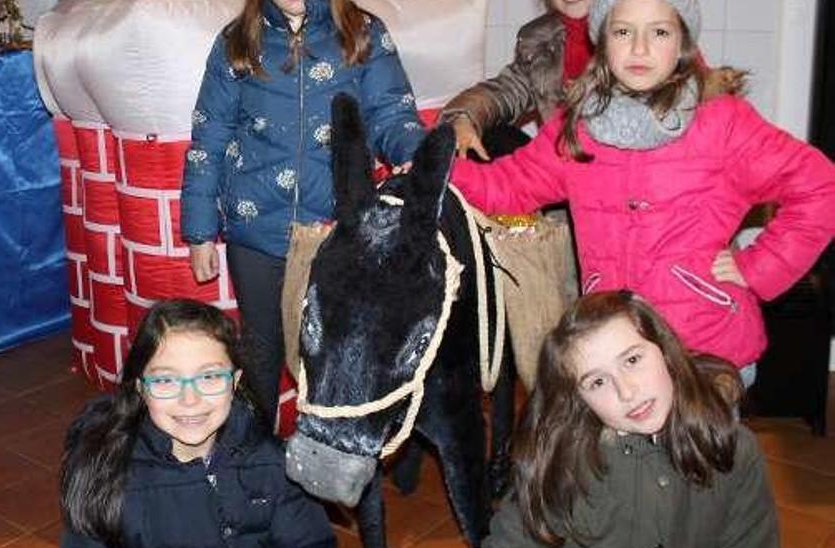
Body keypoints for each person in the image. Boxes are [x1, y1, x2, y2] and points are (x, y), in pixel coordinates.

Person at [448, 0, 835, 384]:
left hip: (702, 355)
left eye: (659, 32)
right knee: (614, 448)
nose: (639, 48)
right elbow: (508, 184)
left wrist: (759, 267)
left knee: (697, 448)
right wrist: (435, 172)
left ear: (683, 42)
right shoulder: (579, 128)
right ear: (602, 41)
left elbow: (821, 186)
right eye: (622, 31)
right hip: (614, 351)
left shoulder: (721, 123)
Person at [180, 0, 427, 426]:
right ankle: (256, 456)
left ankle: (321, 462)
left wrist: (415, 155)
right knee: (259, 354)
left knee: (333, 352)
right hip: (255, 233)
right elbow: (209, 138)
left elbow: (391, 112)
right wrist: (200, 232)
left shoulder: (362, 32)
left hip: (336, 231)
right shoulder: (236, 43)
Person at [484, 290, 779, 546]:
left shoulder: (734, 449)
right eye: (597, 382)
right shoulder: (562, 460)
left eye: (633, 360)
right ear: (579, 399)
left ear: (665, 351)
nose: (627, 392)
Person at [59, 299, 335, 548]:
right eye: (166, 380)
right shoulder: (107, 473)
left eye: (209, 377)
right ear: (142, 390)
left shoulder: (272, 464)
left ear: (235, 382)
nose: (189, 400)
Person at [443, 0, 596, 161]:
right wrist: (464, 118)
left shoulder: (621, 37)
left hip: (615, 171)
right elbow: (505, 91)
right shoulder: (541, 39)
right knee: (493, 136)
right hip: (560, 165)